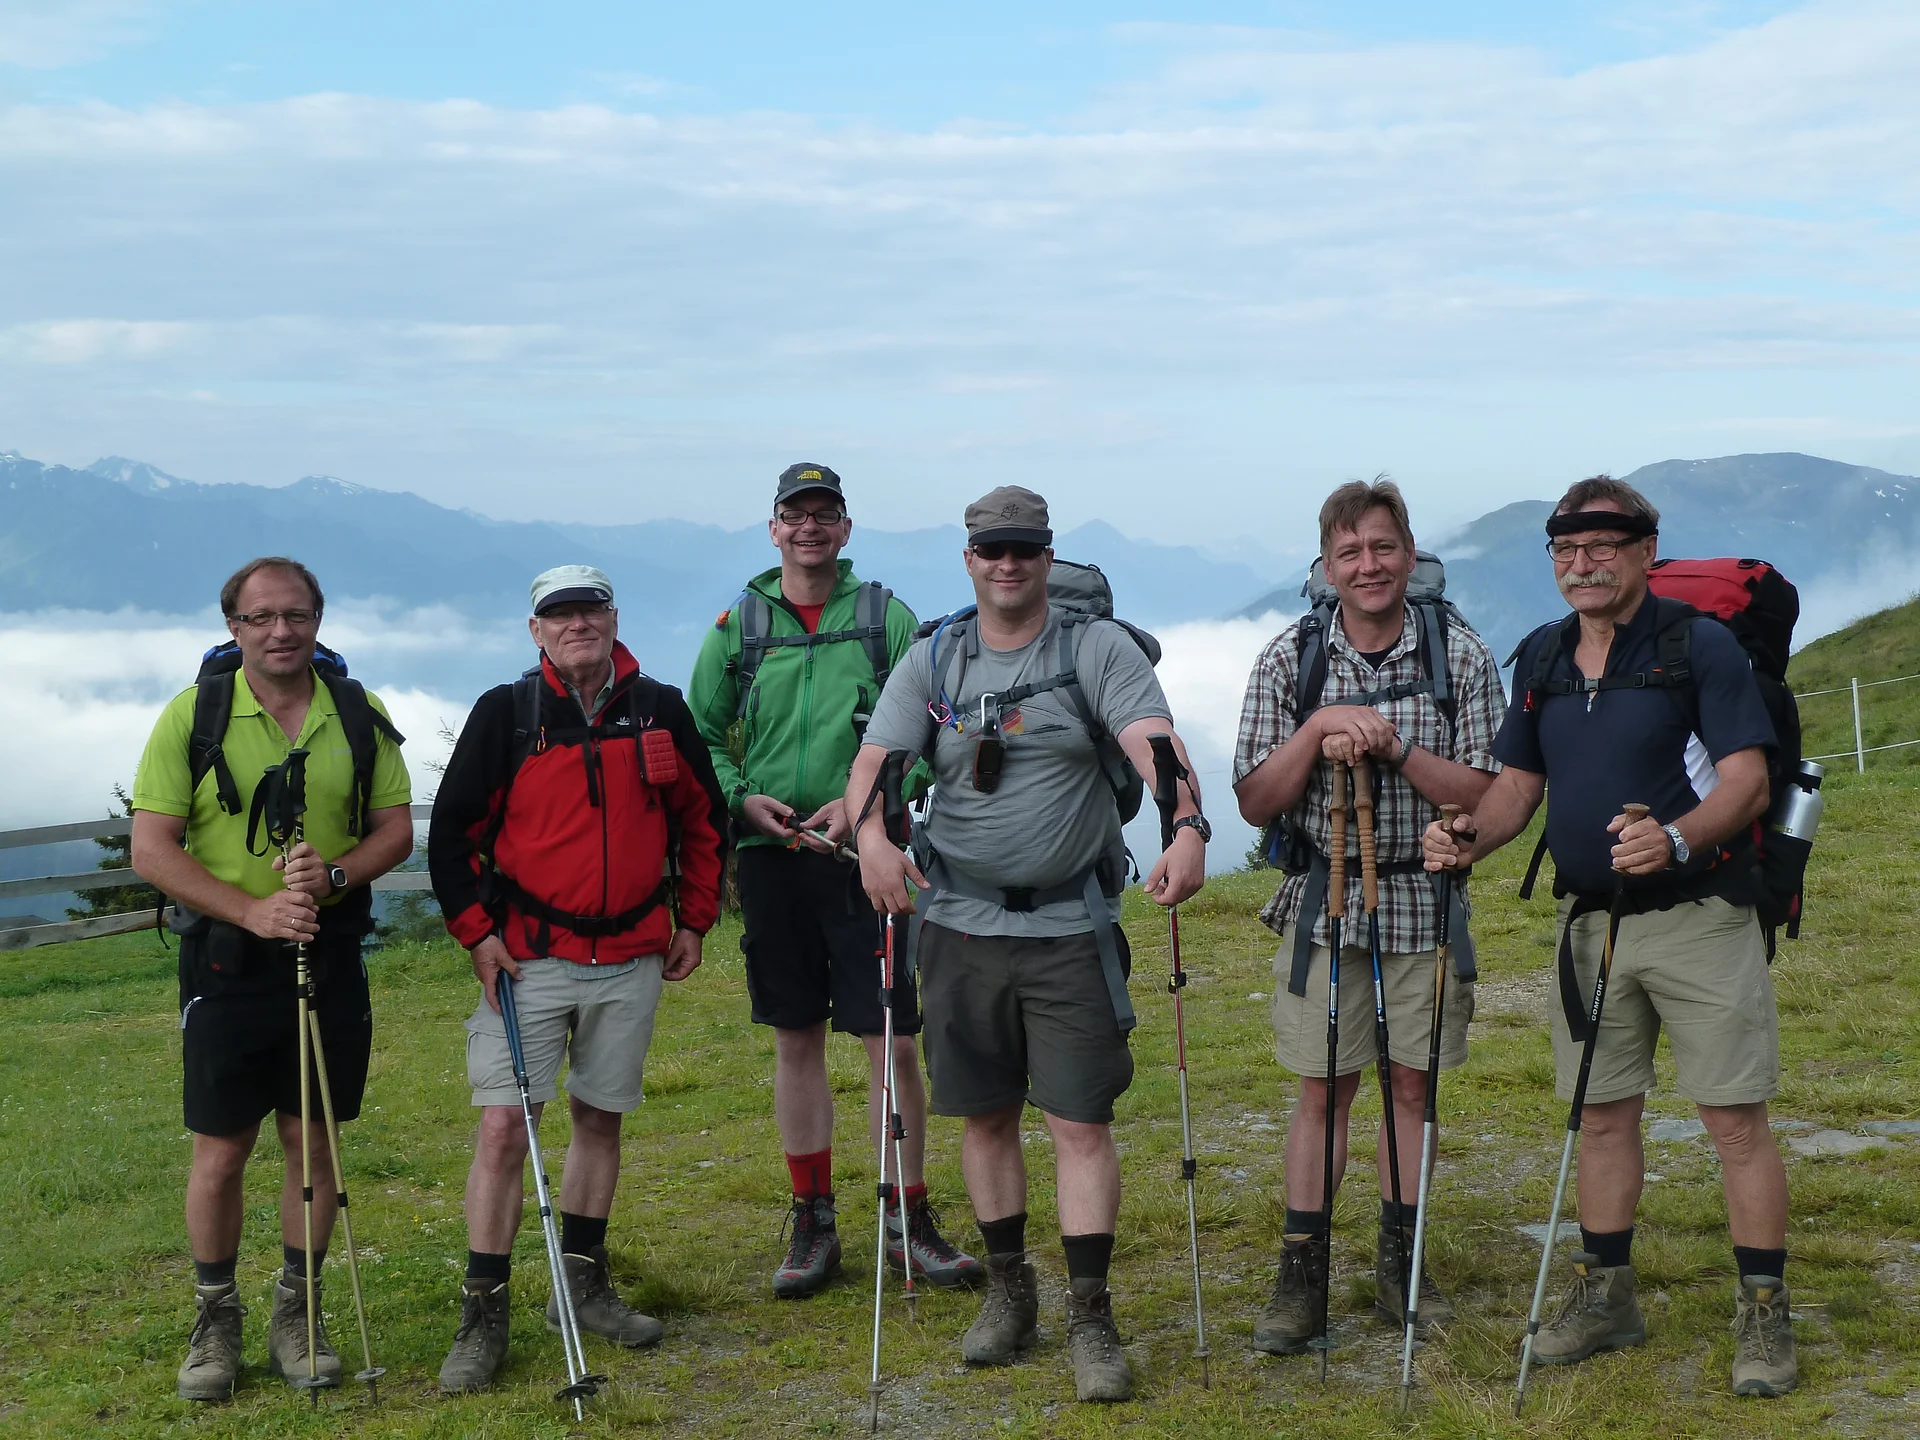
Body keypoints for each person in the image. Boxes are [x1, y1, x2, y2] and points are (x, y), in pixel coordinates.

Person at [1423, 476, 1795, 1397]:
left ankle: (1763, 1312)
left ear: (1642, 551)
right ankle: (1606, 1295)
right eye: (1565, 551)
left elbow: (1746, 781)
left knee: (1734, 1120)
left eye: (1601, 548)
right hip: (1593, 923)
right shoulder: (1543, 657)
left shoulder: (1697, 646)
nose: (1581, 565)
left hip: (1700, 913)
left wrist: (1673, 839)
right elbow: (1516, 788)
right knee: (1600, 1114)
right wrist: (1468, 835)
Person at [848, 485, 1209, 1404]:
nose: (1008, 563)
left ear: (1047, 557)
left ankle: (1092, 1315)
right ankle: (1011, 1291)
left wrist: (1189, 827)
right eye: (992, 550)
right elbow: (876, 767)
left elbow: (1154, 746)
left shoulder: (1097, 649)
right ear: (969, 560)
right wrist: (873, 839)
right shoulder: (935, 656)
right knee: (985, 1115)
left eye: (1025, 549)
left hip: (1066, 927)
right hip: (959, 926)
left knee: (1080, 1122)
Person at [428, 564, 727, 1392]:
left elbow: (703, 821)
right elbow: (451, 839)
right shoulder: (507, 715)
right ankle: (482, 1310)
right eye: (557, 614)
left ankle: (583, 1287)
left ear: (612, 617)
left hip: (631, 954)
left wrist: (694, 920)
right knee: (502, 1127)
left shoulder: (659, 710)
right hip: (527, 956)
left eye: (588, 609)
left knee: (601, 1117)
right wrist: (477, 937)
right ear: (536, 632)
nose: (575, 624)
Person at [688, 463, 980, 1297]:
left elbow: (937, 733)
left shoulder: (886, 620)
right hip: (773, 860)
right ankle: (813, 1219)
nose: (809, 527)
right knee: (796, 1039)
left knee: (890, 1037)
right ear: (773, 528)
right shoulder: (735, 626)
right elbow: (700, 732)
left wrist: (868, 809)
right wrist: (742, 802)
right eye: (795, 514)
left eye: (825, 515)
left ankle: (906, 1215)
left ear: (846, 530)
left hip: (870, 858)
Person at [130, 556, 414, 1401]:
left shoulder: (359, 714)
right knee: (222, 1149)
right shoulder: (193, 716)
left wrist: (332, 878)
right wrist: (252, 912)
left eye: (295, 615)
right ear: (234, 628)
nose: (280, 631)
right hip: (224, 958)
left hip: (324, 949)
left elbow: (394, 831)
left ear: (318, 620)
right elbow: (153, 849)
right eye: (261, 618)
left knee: (312, 1139)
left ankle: (301, 1309)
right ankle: (215, 1319)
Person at [1232, 479, 1504, 1355]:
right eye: (1350, 552)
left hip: (1424, 899)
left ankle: (1402, 1264)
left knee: (1412, 1086)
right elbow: (1253, 799)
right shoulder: (1289, 660)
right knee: (1322, 1086)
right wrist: (1316, 733)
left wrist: (1396, 747)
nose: (1369, 565)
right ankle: (1301, 1276)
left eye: (1383, 548)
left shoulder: (1457, 653)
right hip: (1324, 903)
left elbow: (1490, 793)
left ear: (1410, 552)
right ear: (1327, 565)